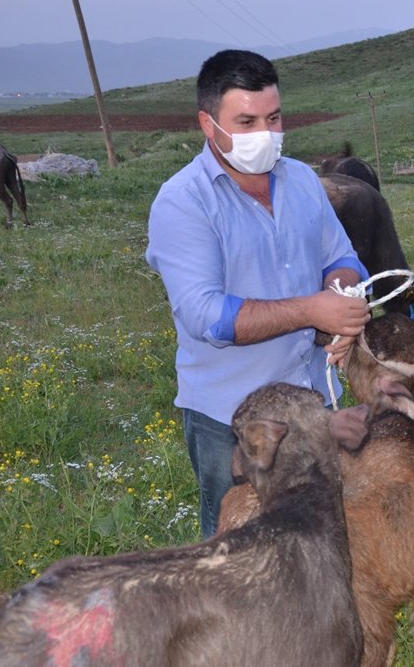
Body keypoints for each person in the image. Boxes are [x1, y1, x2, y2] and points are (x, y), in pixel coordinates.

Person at [146, 49, 370, 539]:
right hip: (228, 420)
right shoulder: (183, 203)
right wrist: (312, 309)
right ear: (209, 123)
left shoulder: (304, 181)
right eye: (245, 122)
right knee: (235, 560)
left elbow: (345, 259)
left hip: (313, 405)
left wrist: (338, 298)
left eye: (273, 118)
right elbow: (209, 317)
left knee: (322, 545)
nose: (263, 134)